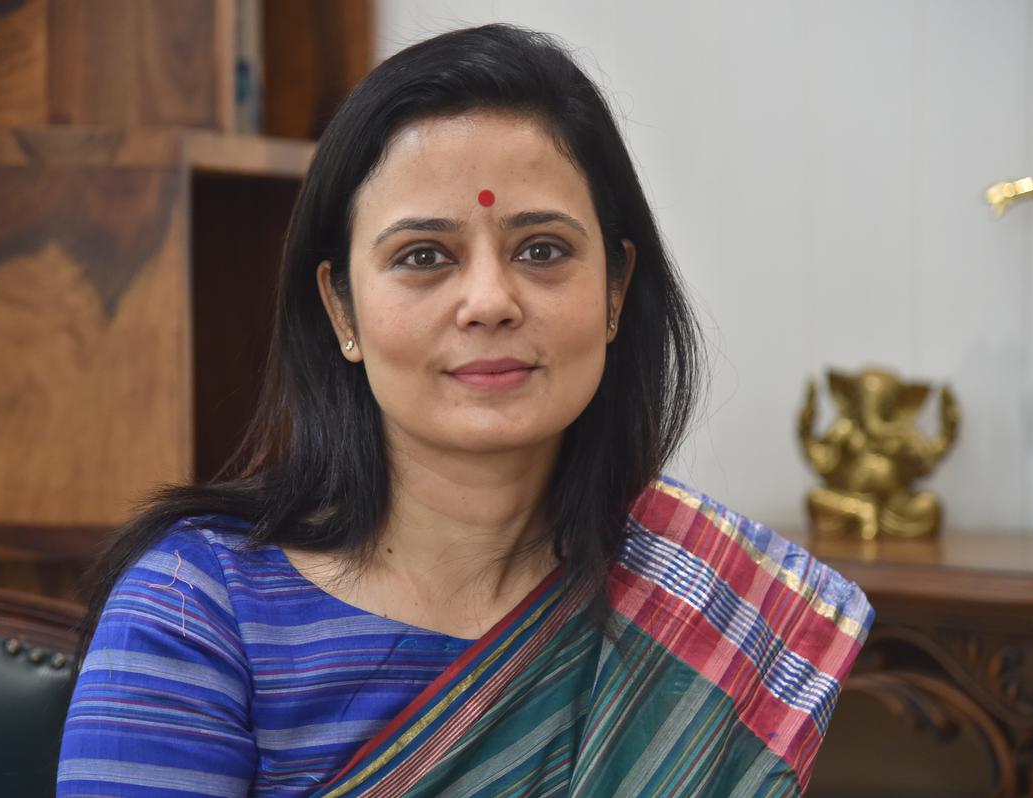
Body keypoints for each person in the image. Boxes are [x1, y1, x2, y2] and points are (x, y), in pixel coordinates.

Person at [57, 23, 872, 797]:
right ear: (342, 310)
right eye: (423, 256)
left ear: (615, 290)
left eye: (542, 250)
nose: (489, 301)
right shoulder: (197, 611)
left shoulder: (700, 619)